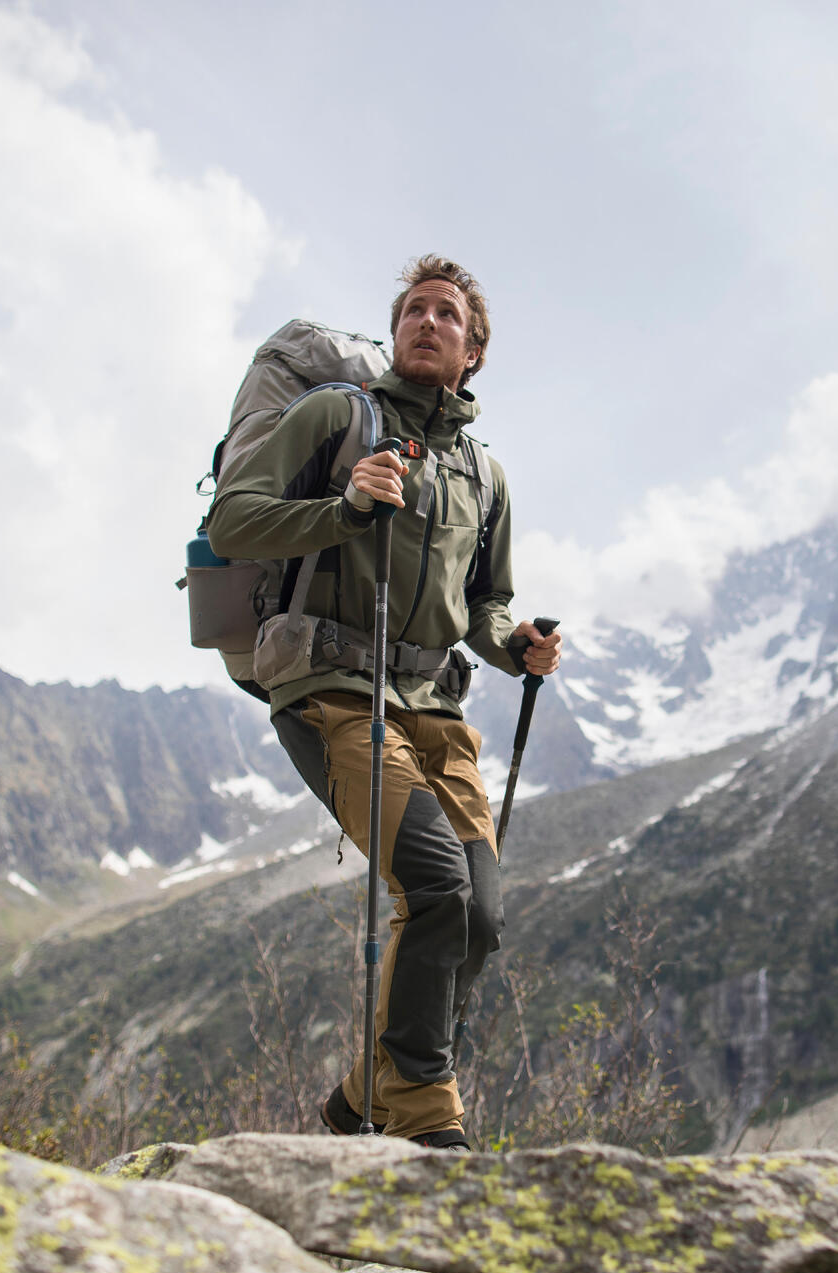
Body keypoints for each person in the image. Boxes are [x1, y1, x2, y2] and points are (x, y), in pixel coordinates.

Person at [206, 255, 561, 1149]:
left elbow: (485, 608)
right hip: (330, 692)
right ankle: (423, 1111)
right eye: (412, 309)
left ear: (473, 351)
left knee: (478, 920)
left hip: (434, 711)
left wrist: (516, 648)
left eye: (446, 314)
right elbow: (234, 522)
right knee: (435, 886)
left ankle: (368, 1086)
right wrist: (344, 510)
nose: (425, 321)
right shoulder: (337, 417)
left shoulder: (486, 475)